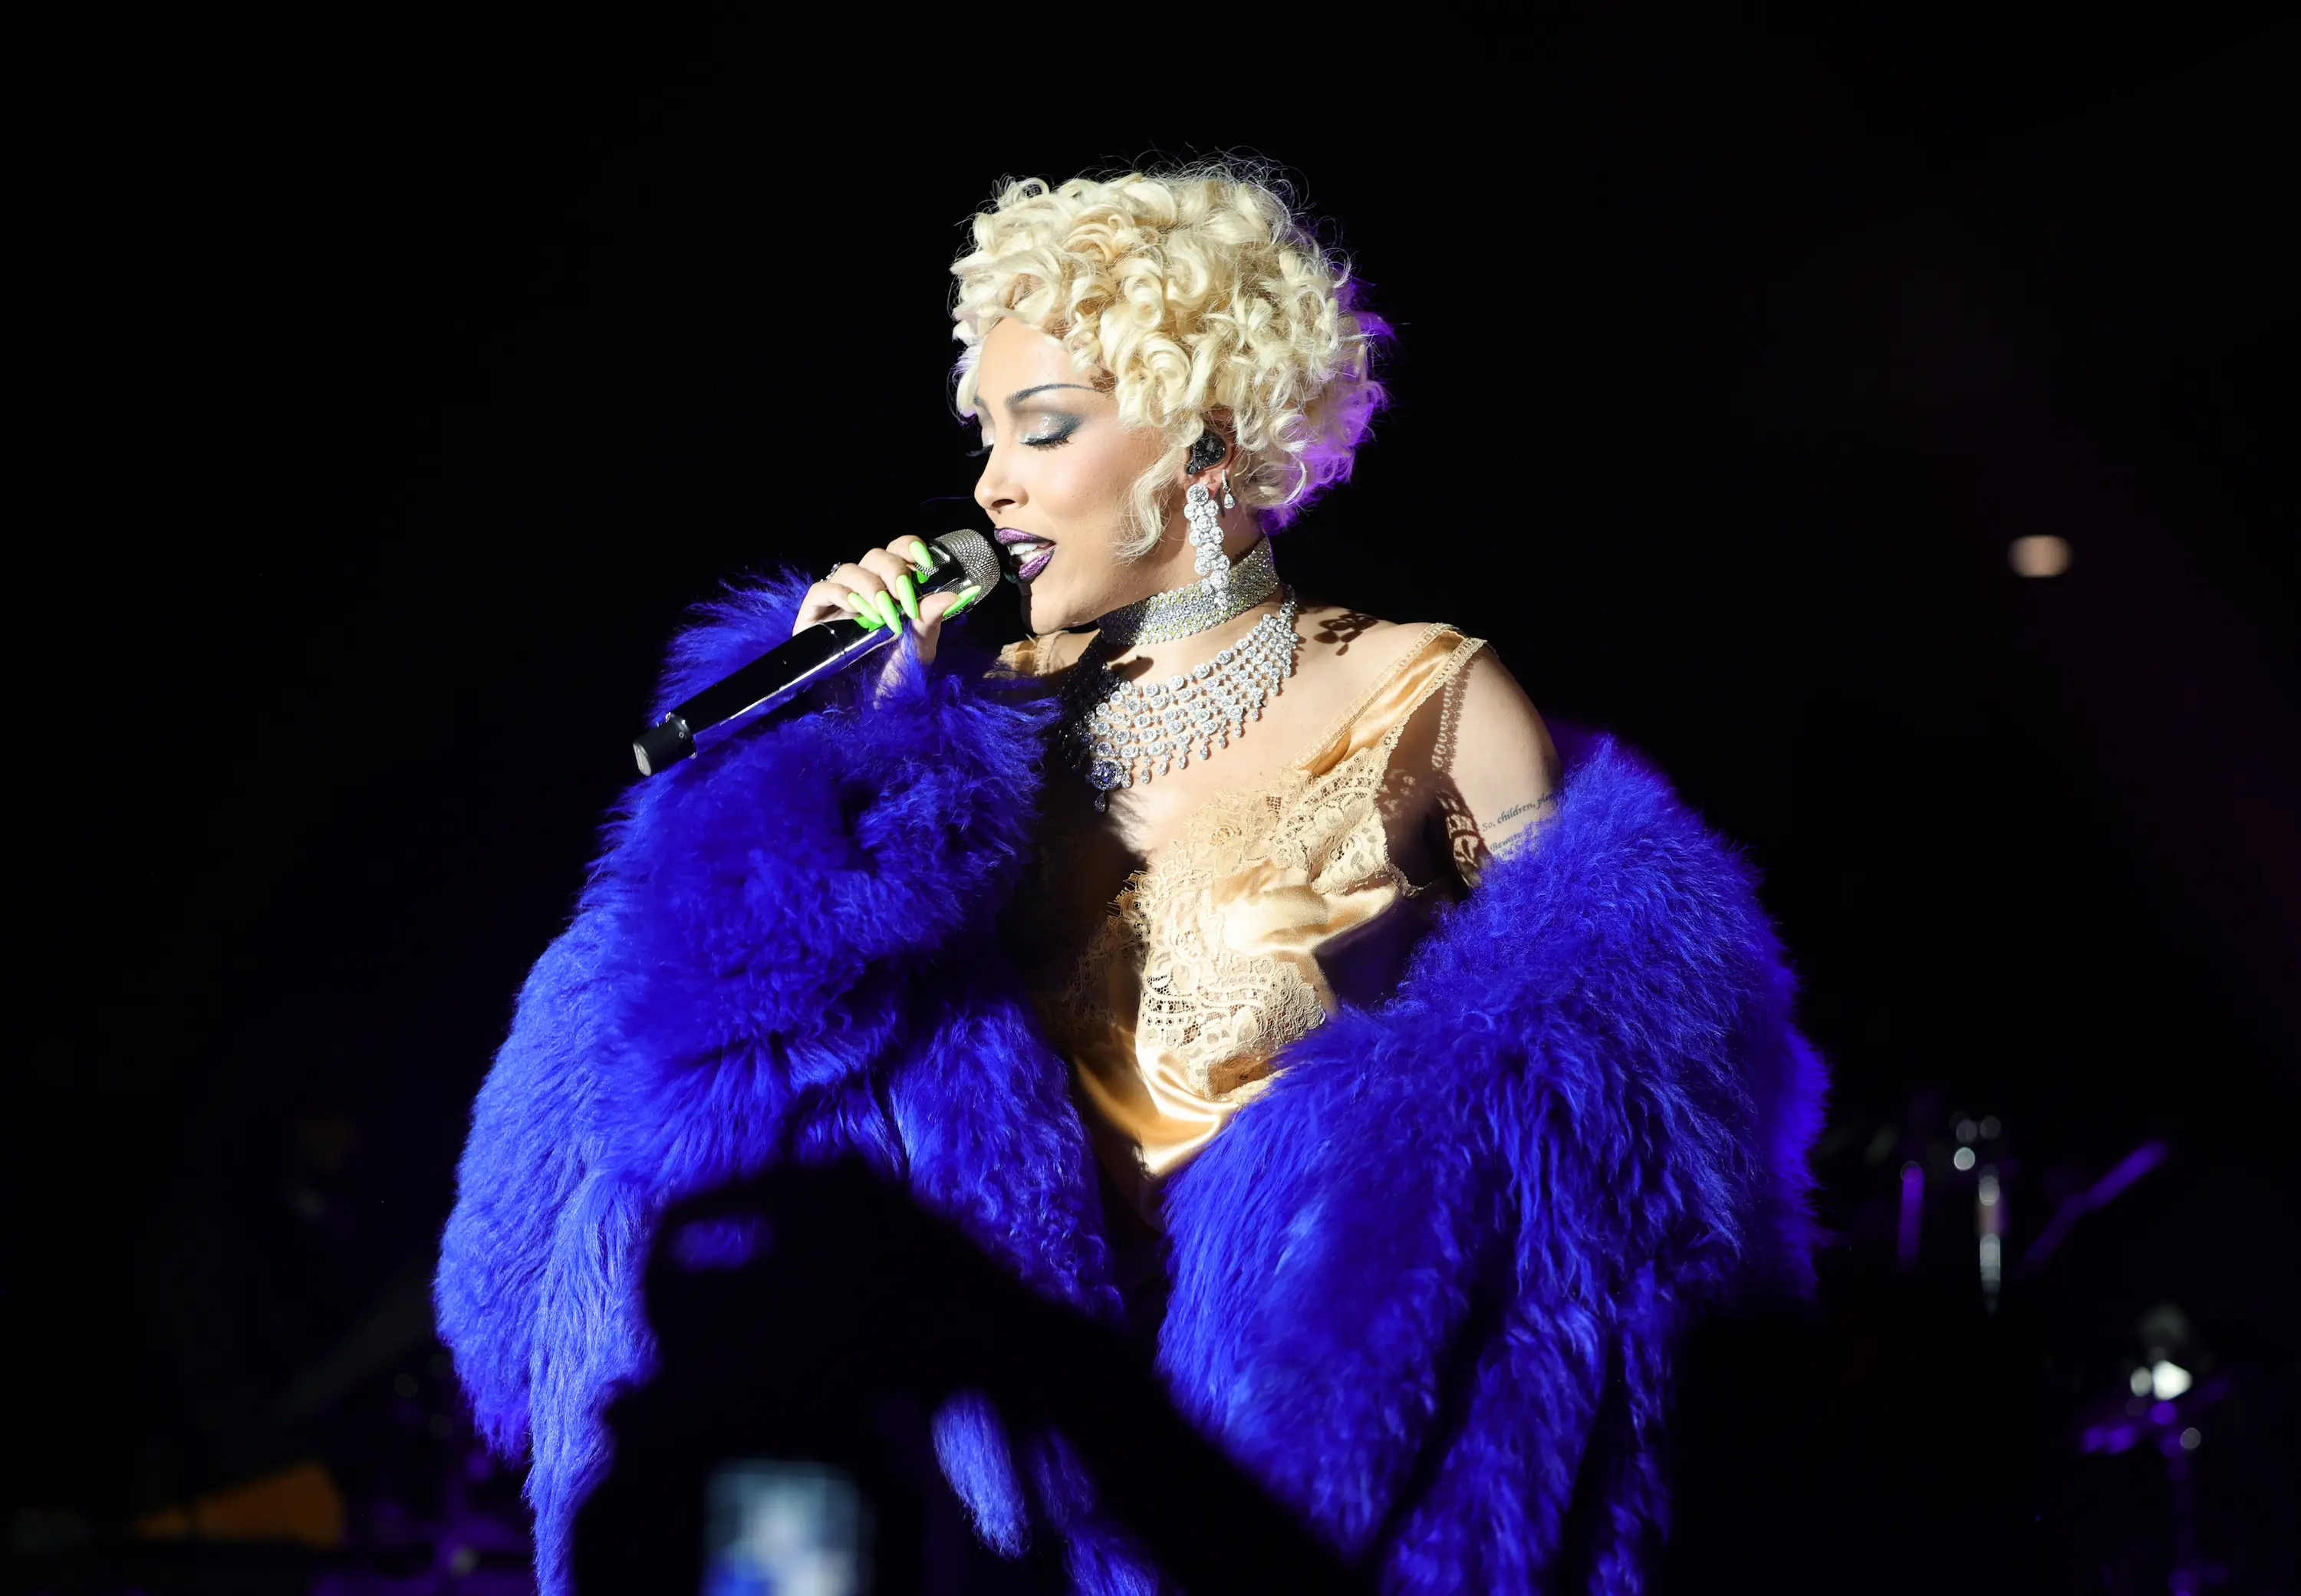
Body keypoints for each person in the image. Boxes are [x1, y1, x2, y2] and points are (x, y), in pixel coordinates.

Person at [435, 166, 1830, 1595]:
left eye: (1043, 428)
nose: (991, 482)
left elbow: (1602, 1139)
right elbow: (727, 1072)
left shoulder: (1426, 699)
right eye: (983, 433)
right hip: (983, 1515)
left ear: (1206, 447)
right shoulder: (948, 725)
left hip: (1301, 1508)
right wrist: (829, 757)